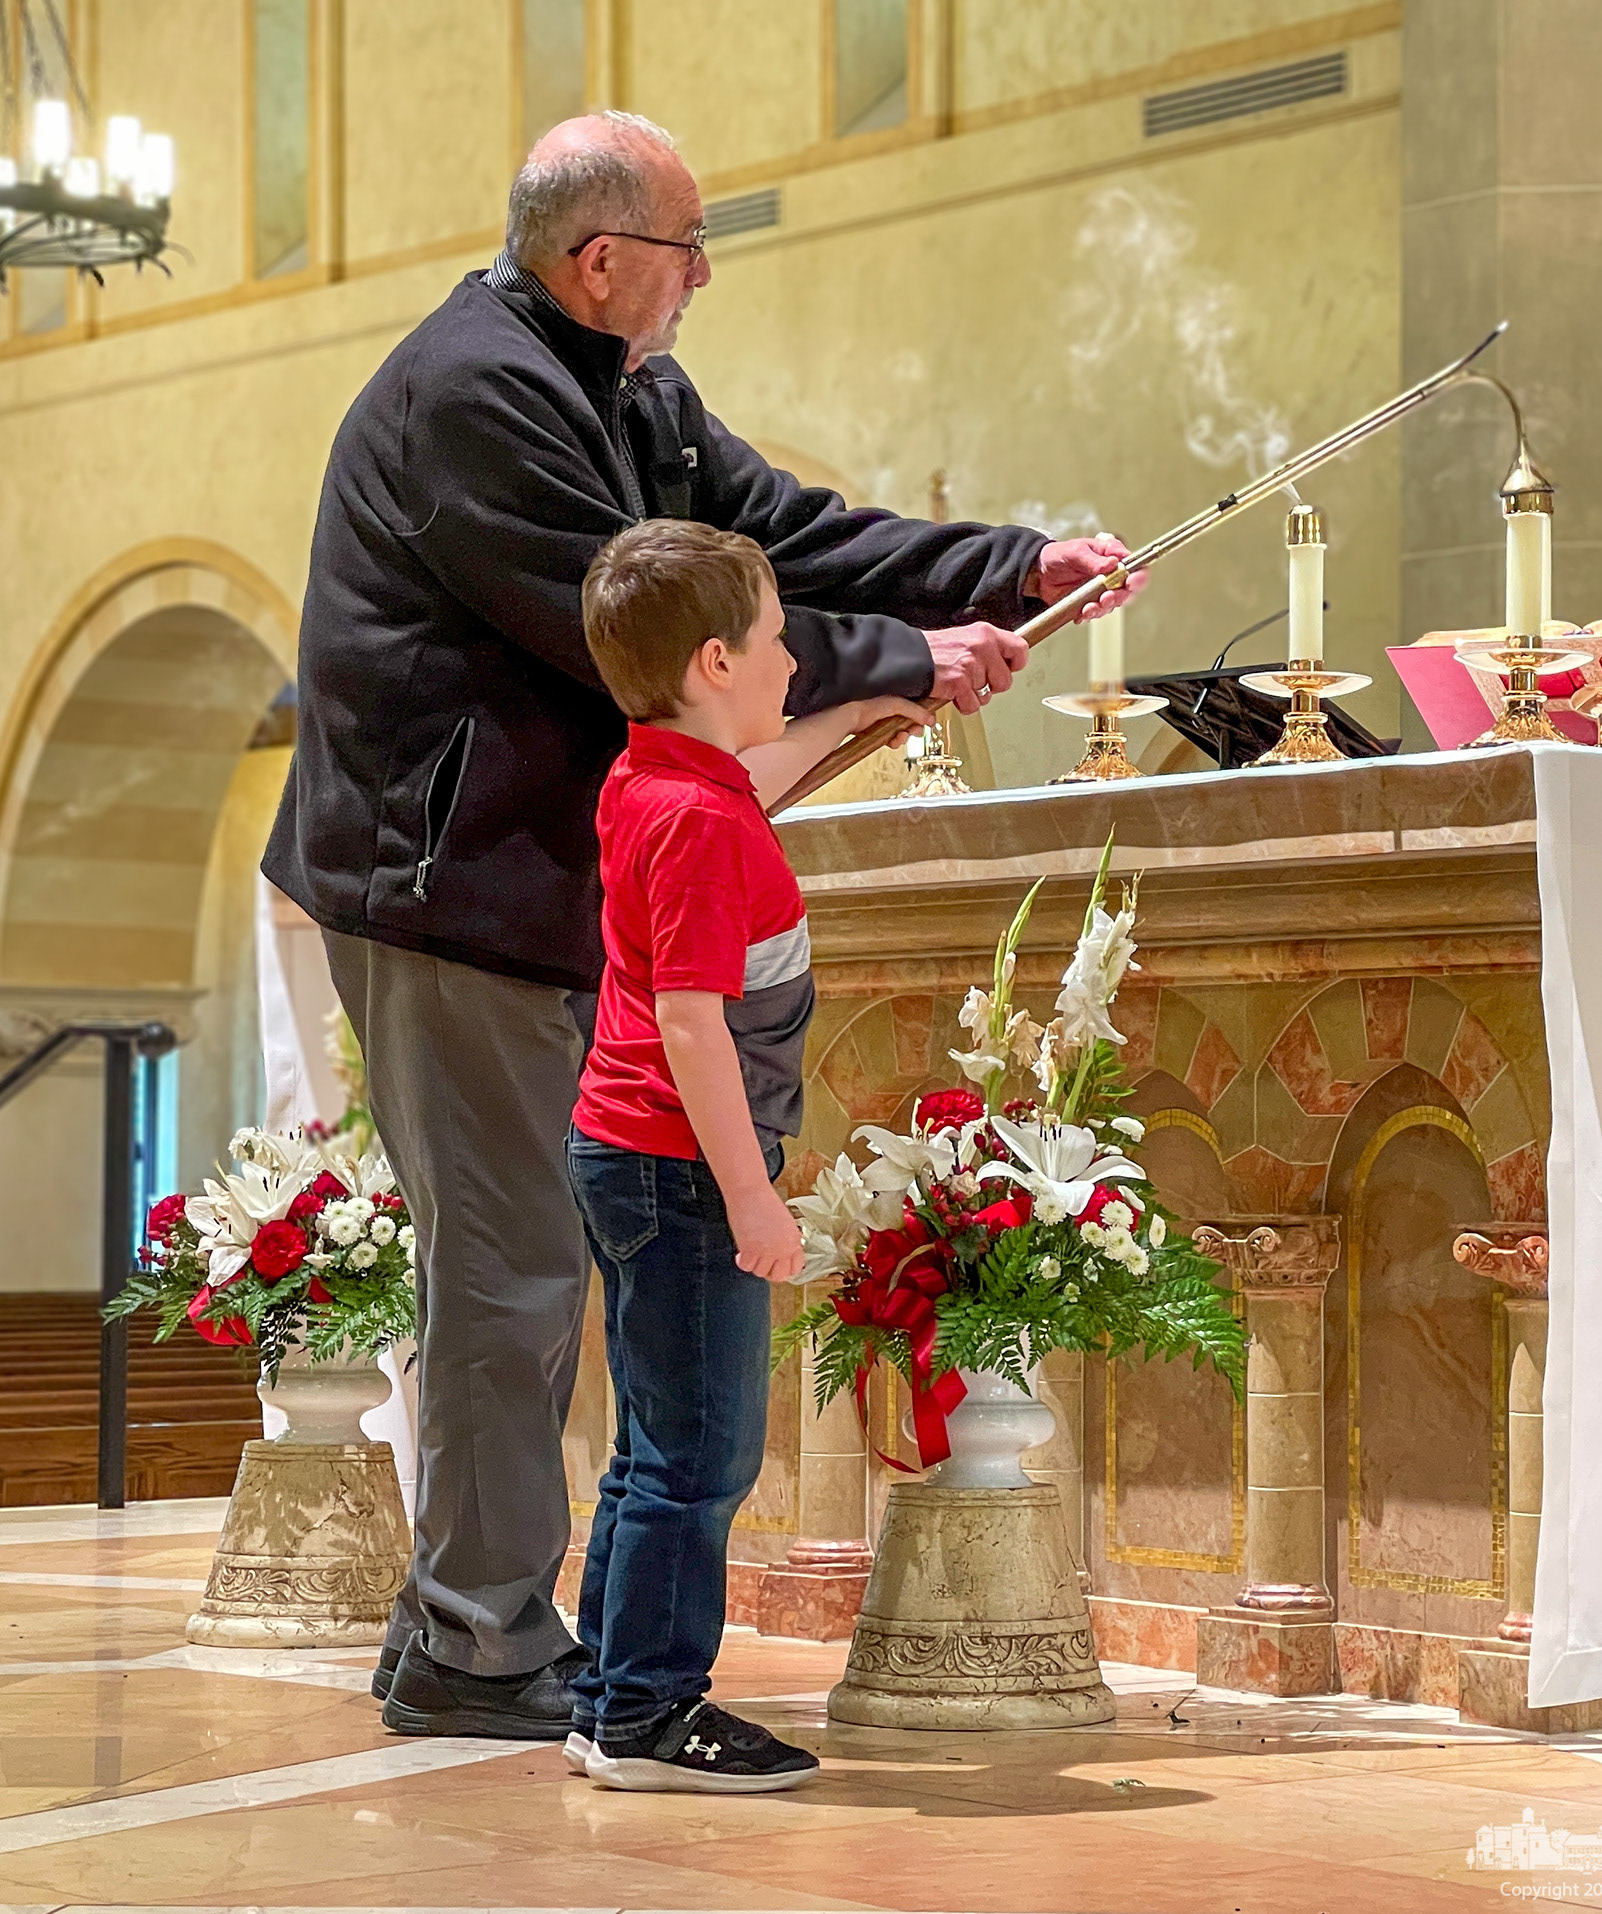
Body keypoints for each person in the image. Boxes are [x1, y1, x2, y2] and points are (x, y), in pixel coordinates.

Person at [262, 107, 1144, 1739]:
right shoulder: (480, 390)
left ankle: (466, 1617)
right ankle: (477, 1637)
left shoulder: (625, 381)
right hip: (443, 882)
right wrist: (895, 660)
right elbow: (649, 619)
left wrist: (1011, 570)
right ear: (603, 261)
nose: (703, 276)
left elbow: (780, 535)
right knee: (513, 1271)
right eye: (686, 248)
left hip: (523, 880)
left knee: (523, 1270)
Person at [561, 518, 879, 1791]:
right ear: (712, 662)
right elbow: (693, 1024)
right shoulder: (698, 824)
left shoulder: (658, 778)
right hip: (681, 1168)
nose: (795, 660)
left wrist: (871, 720)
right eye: (775, 641)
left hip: (633, 1156)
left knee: (653, 1448)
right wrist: (755, 1201)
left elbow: (764, 762)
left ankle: (606, 1699)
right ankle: (649, 1715)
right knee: (701, 1456)